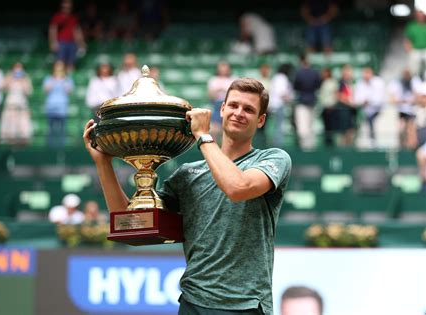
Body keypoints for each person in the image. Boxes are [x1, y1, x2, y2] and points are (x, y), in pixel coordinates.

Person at [83, 77, 292, 315]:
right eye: (233, 105)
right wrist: (103, 163)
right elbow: (129, 225)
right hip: (194, 303)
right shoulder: (188, 175)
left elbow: (237, 188)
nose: (238, 113)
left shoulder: (273, 159)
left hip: (246, 305)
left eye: (249, 109)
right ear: (222, 109)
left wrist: (203, 135)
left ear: (261, 120)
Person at [0, 62, 33, 145]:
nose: (18, 70)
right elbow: (2, 87)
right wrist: (10, 78)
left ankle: (22, 144)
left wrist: (22, 80)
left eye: (20, 68)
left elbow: (29, 92)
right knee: (10, 129)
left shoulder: (25, 78)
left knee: (23, 128)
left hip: (22, 105)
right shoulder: (9, 77)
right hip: (10, 105)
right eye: (16, 68)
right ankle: (10, 143)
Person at [293, 54, 321, 150]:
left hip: (302, 101)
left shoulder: (298, 73)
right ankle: (311, 148)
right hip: (312, 100)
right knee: (310, 126)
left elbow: (295, 87)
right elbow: (318, 85)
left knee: (303, 127)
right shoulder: (315, 72)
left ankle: (305, 149)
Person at [43, 60, 74, 148]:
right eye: (57, 66)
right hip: (51, 107)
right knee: (50, 131)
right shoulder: (49, 78)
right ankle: (49, 150)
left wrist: (63, 79)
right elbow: (46, 89)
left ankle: (61, 152)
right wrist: (54, 79)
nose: (59, 68)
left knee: (62, 131)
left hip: (62, 108)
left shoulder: (67, 79)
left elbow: (69, 91)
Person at [388, 69, 422, 149]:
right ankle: (402, 146)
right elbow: (392, 99)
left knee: (411, 129)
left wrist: (410, 100)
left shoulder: (415, 81)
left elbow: (418, 97)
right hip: (401, 111)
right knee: (401, 129)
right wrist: (400, 101)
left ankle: (410, 146)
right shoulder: (397, 83)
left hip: (412, 111)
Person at [49, 0, 86, 72]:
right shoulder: (57, 16)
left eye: (69, 6)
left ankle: (70, 80)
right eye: (65, 6)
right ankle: (60, 80)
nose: (67, 7)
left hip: (72, 42)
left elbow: (77, 31)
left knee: (71, 63)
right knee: (60, 63)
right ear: (62, 6)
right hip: (61, 42)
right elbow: (53, 29)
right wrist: (53, 42)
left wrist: (81, 43)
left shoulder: (73, 17)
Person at [354, 67, 385, 148]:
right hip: (364, 112)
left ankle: (374, 142)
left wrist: (369, 101)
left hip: (377, 110)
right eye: (365, 73)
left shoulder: (378, 82)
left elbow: (379, 98)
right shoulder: (359, 83)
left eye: (368, 73)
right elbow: (357, 99)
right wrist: (363, 102)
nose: (366, 76)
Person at [207, 61, 236, 138]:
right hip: (217, 105)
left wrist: (222, 90)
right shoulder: (213, 79)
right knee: (214, 130)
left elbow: (235, 94)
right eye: (221, 67)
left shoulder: (233, 79)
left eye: (225, 67)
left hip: (230, 105)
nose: (223, 70)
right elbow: (211, 96)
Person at [269, 63, 293, 147]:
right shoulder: (282, 78)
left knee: (276, 127)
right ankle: (277, 146)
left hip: (274, 105)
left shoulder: (276, 77)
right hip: (279, 105)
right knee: (279, 127)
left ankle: (276, 145)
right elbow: (282, 93)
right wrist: (290, 99)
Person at [336, 64, 357, 147]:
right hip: (343, 110)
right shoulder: (340, 83)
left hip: (351, 111)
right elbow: (338, 95)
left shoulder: (352, 83)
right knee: (344, 133)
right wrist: (349, 102)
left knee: (351, 131)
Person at [404, 9, 426, 78]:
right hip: (415, 49)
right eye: (419, 16)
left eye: (422, 16)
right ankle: (414, 81)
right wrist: (408, 49)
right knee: (413, 69)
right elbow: (407, 39)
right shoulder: (412, 26)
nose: (421, 17)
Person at [319, 68, 338, 147]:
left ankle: (331, 144)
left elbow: (335, 94)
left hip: (331, 108)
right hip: (324, 108)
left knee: (331, 128)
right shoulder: (322, 82)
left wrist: (332, 105)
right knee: (326, 128)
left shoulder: (332, 82)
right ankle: (327, 143)